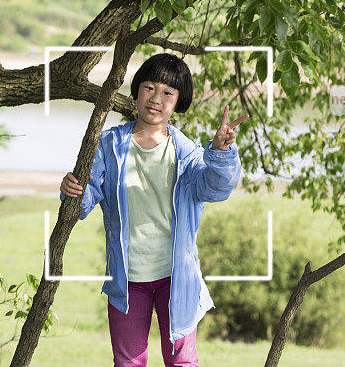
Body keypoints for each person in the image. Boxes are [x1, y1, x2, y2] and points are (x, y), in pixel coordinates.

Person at [59, 52, 249, 367]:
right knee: (128, 362)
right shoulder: (109, 144)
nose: (155, 99)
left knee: (181, 362)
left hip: (176, 275)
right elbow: (86, 193)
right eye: (149, 88)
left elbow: (215, 189)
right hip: (127, 277)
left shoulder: (186, 152)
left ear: (178, 102)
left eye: (167, 93)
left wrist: (220, 151)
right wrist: (72, 193)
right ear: (137, 91)